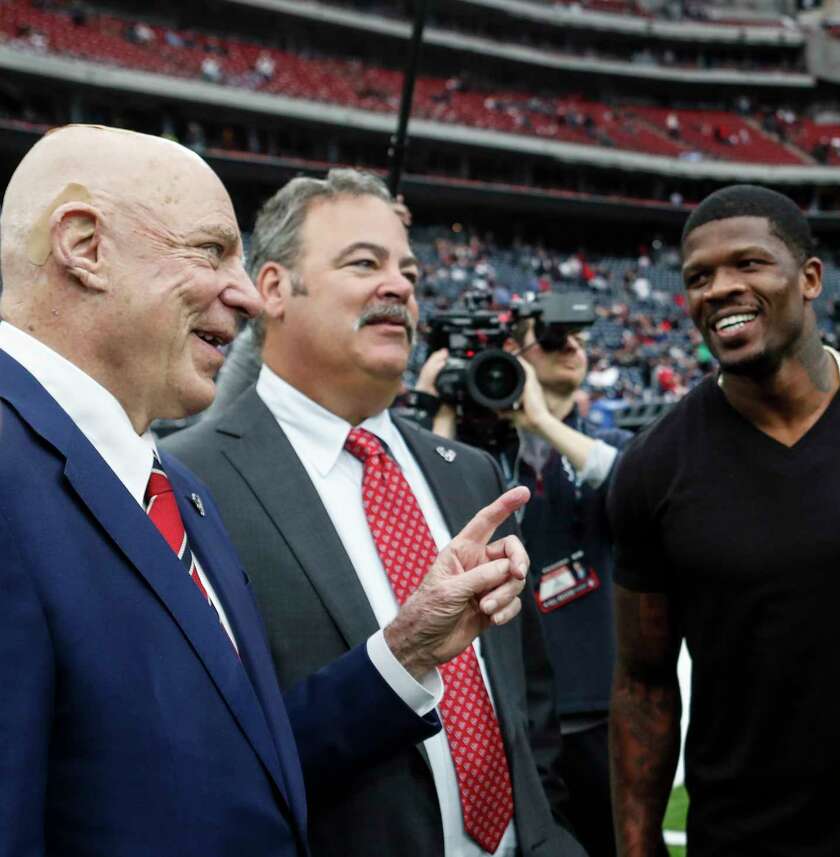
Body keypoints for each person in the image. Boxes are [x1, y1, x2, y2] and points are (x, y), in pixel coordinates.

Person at [0, 126, 530, 857]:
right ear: (84, 246)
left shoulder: (174, 491)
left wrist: (409, 648)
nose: (247, 294)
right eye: (212, 250)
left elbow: (245, 762)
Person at [164, 168, 586, 857]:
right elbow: (215, 760)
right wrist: (403, 655)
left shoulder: (473, 474)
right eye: (364, 263)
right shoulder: (190, 481)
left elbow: (528, 699)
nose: (400, 286)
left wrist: (544, 830)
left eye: (409, 270)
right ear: (272, 289)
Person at [607, 184, 840, 857]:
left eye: (748, 263)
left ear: (810, 278)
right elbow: (643, 680)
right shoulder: (655, 466)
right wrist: (637, 845)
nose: (719, 289)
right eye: (698, 277)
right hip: (741, 840)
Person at [421, 317, 632, 857]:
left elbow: (635, 490)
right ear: (514, 354)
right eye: (557, 340)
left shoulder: (604, 443)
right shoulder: (470, 457)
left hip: (598, 708)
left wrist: (538, 420)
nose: (575, 348)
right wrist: (438, 412)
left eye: (583, 339)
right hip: (508, 711)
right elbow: (423, 528)